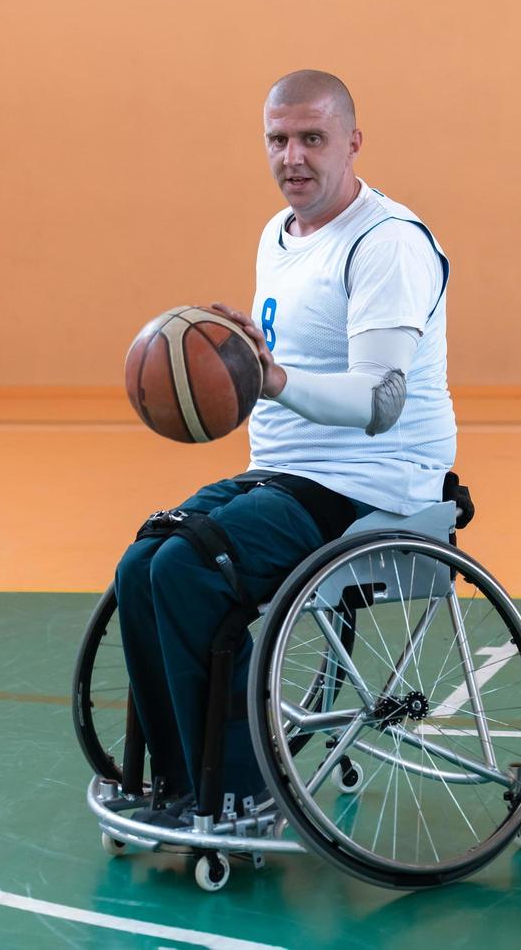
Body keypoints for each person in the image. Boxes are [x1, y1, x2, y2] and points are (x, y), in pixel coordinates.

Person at [114, 70, 455, 827]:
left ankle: (241, 792)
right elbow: (293, 360)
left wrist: (271, 380)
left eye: (311, 138)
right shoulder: (278, 233)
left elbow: (379, 400)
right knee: (143, 561)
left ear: (353, 143)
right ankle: (181, 778)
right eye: (278, 139)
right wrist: (241, 355)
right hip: (284, 474)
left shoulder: (387, 243)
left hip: (373, 484)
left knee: (191, 570)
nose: (292, 156)